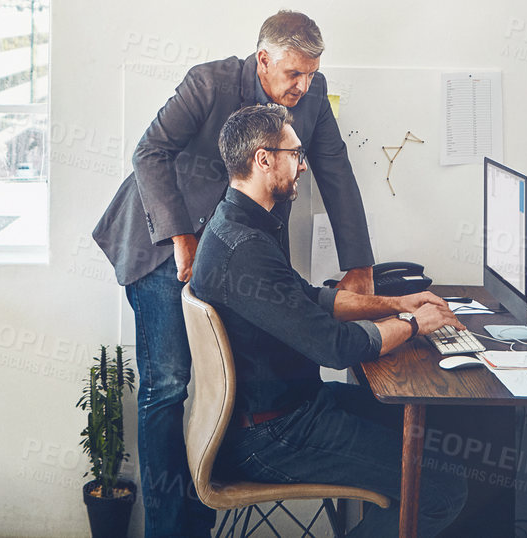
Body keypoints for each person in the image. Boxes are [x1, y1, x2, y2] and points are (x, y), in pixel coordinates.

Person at [92, 11, 377, 538]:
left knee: (229, 387)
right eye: (294, 73)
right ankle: (168, 531)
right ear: (263, 59)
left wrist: (359, 267)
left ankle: (203, 513)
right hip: (162, 244)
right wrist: (182, 236)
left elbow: (336, 170)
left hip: (236, 253)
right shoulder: (209, 83)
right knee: (170, 389)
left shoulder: (312, 96)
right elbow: (149, 152)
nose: (304, 86)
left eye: (312, 73)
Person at [191, 104, 471, 538]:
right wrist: (416, 325)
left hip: (291, 410)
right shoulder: (244, 248)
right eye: (295, 154)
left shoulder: (236, 225)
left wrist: (400, 302)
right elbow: (335, 348)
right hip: (273, 435)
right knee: (441, 489)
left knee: (432, 435)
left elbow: (312, 299)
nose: (302, 166)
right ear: (263, 160)